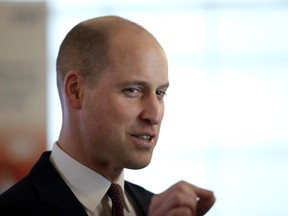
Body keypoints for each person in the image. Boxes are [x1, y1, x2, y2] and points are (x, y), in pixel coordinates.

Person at [0, 15, 215, 215]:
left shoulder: (154, 207)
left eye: (160, 93)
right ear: (76, 91)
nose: (154, 114)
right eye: (133, 90)